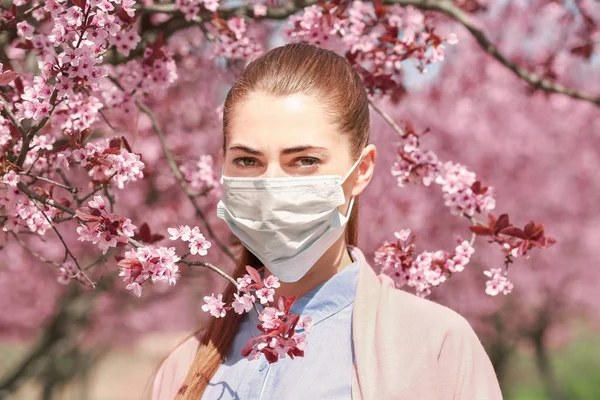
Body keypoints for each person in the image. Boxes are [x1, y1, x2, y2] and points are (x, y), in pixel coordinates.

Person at [151, 42, 503, 400]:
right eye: (246, 161)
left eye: (304, 160)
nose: (271, 186)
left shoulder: (435, 348)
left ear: (361, 170)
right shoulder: (184, 369)